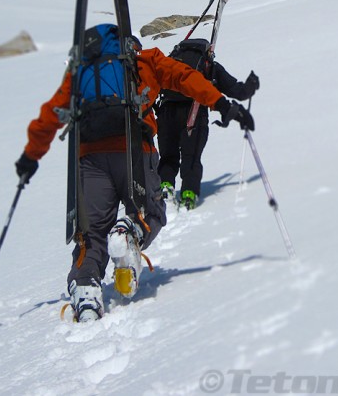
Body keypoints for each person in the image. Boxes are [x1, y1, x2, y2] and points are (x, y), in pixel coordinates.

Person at [14, 26, 253, 322]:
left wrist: (30, 157)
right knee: (151, 212)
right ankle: (130, 232)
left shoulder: (81, 73)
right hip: (134, 151)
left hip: (89, 159)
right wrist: (220, 103)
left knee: (91, 235)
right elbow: (186, 77)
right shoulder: (144, 60)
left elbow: (50, 115)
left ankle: (86, 292)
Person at [157, 39, 259, 210]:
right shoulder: (209, 66)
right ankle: (188, 194)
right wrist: (251, 85)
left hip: (166, 112)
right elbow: (237, 91)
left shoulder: (171, 62)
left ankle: (165, 186)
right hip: (194, 113)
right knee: (191, 156)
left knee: (168, 155)